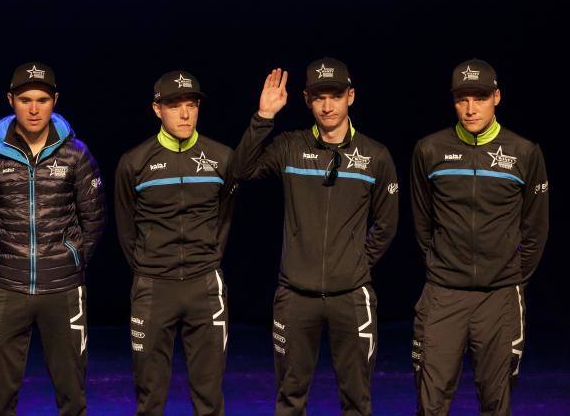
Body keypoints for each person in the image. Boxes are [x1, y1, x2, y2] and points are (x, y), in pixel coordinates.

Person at [233, 61, 398, 415]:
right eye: (319, 97)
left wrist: (353, 266)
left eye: (335, 96)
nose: (327, 106)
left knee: (357, 399)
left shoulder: (375, 155)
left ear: (350, 96)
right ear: (307, 100)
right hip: (295, 298)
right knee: (290, 398)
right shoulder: (289, 147)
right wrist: (263, 116)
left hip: (351, 298)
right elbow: (241, 170)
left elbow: (386, 225)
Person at [0, 61, 106, 416]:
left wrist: (71, 259)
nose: (33, 108)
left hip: (63, 288)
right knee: (1, 395)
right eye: (25, 99)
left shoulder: (77, 154)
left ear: (54, 100)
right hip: (7, 289)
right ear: (10, 100)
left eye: (42, 99)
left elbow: (94, 218)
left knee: (72, 393)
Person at [410, 59, 549, 415]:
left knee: (495, 402)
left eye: (480, 98)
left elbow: (535, 228)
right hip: (444, 294)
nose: (470, 108)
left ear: (496, 97)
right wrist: (442, 268)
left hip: (499, 297)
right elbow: (423, 222)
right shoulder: (429, 150)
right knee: (432, 402)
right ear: (453, 100)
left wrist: (510, 276)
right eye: (462, 99)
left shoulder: (524, 152)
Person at [115, 71, 240, 415]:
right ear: (157, 109)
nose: (185, 114)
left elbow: (224, 217)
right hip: (154, 287)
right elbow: (126, 228)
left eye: (191, 105)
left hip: (205, 286)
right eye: (175, 106)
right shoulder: (134, 163)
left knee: (209, 396)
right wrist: (148, 267)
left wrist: (207, 259)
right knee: (150, 397)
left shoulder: (222, 158)